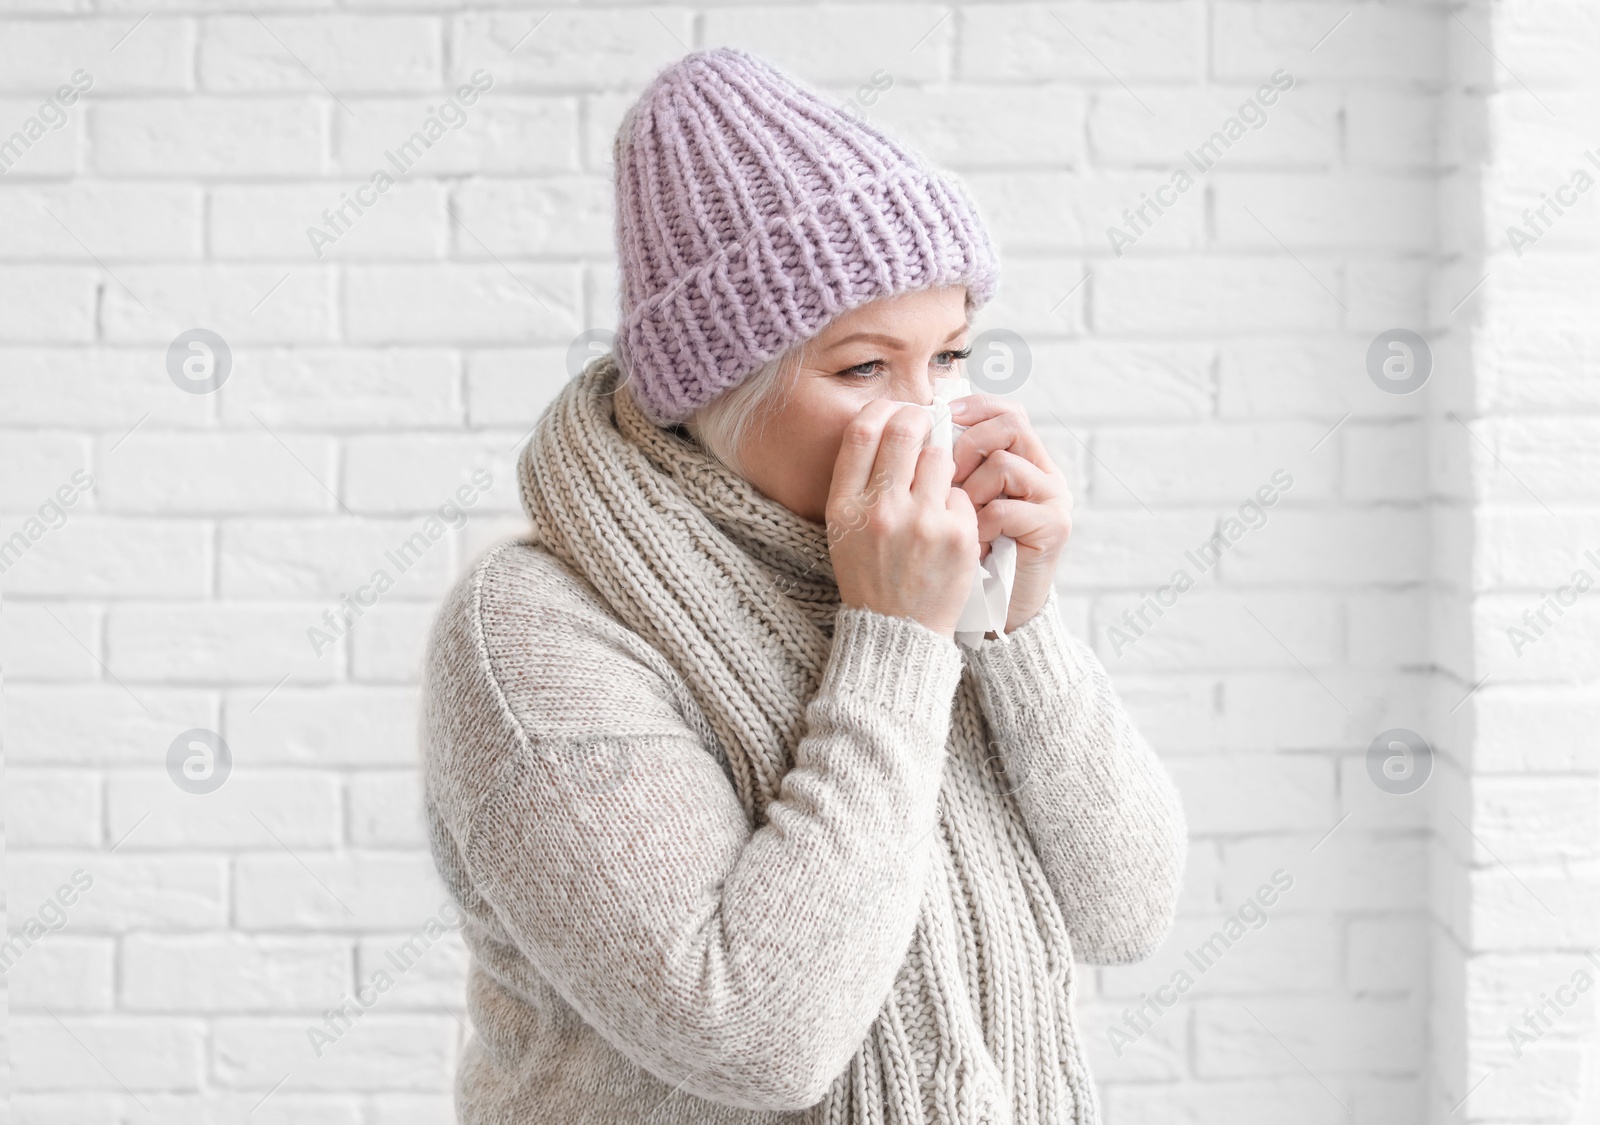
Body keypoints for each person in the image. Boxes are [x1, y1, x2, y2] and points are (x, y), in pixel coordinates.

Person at [420, 46, 1186, 1125]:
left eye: (952, 357)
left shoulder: (922, 570)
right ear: (718, 387)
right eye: (863, 368)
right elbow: (755, 1038)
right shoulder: (537, 631)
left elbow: (1127, 910)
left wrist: (1021, 626)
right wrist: (895, 642)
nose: (925, 415)